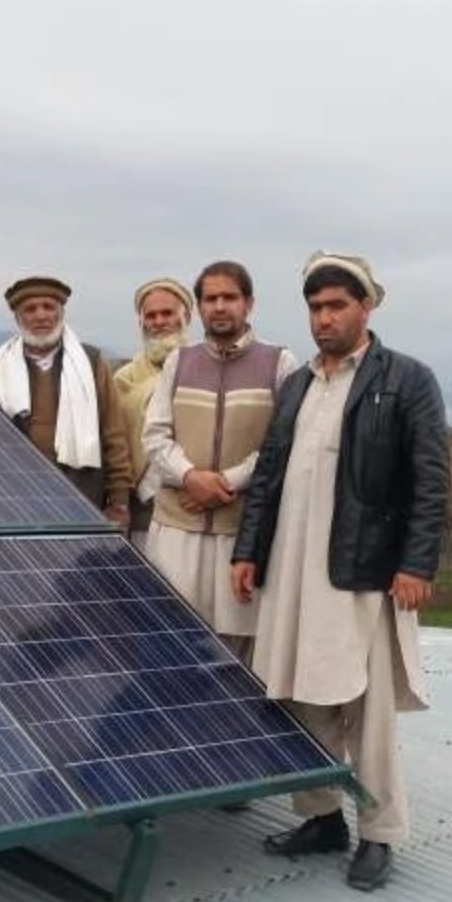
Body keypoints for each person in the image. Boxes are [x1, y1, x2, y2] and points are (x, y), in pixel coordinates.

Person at [231, 251, 449, 892]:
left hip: (362, 572)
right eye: (315, 308)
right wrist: (249, 549)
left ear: (367, 308)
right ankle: (322, 818)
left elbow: (431, 481)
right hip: (292, 572)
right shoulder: (298, 385)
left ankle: (380, 834)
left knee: (366, 708)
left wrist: (415, 563)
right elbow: (268, 474)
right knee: (301, 700)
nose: (323, 319)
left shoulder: (407, 380)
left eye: (336, 306)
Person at [142, 261, 299, 664]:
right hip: (177, 529)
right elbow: (155, 436)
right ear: (199, 307)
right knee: (171, 646)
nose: (220, 306)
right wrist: (190, 476)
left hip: (241, 535)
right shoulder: (179, 362)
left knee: (237, 658)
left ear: (248, 303)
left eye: (229, 297)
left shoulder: (279, 364)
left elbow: (282, 444)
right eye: (211, 298)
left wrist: (225, 483)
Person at [0, 275, 132, 524]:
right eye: (30, 309)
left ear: (61, 313)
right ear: (18, 317)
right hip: (17, 495)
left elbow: (113, 432)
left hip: (81, 492)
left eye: (49, 307)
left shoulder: (91, 361)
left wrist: (119, 500)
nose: (41, 316)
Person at [111, 278, 196, 547]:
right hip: (144, 515)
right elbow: (115, 443)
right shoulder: (124, 379)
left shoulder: (208, 368)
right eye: (151, 315)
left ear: (186, 317)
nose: (159, 321)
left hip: (197, 507)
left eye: (168, 313)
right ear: (141, 322)